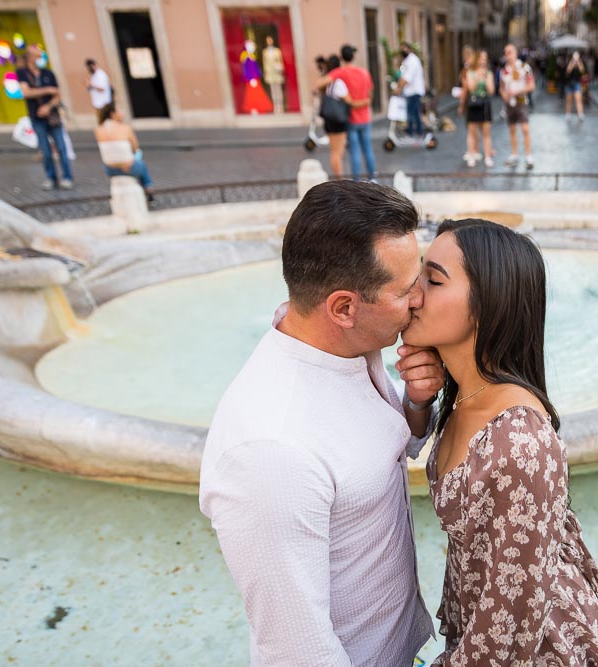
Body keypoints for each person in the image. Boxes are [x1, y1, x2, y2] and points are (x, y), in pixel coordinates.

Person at [200, 180, 442, 666]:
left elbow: (381, 443)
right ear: (344, 307)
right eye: (404, 289)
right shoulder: (270, 450)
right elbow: (297, 649)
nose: (419, 299)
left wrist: (417, 403)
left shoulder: (351, 348)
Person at [402, 217, 598, 665]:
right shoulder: (465, 393)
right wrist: (419, 401)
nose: (413, 293)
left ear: (486, 304)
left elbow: (512, 628)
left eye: (434, 280)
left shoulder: (519, 442)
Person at [16, 45, 73, 191]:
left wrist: (48, 106)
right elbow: (26, 93)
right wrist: (47, 90)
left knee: (62, 148)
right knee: (45, 150)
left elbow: (58, 94)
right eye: (38, 55)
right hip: (36, 118)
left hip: (53, 117)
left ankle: (67, 177)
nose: (41, 58)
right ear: (30, 57)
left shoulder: (48, 73)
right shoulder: (23, 73)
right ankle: (51, 178)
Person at [316, 55, 371, 178]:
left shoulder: (327, 82)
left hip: (329, 120)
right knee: (337, 153)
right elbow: (349, 101)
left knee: (334, 151)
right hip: (338, 121)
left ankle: (338, 178)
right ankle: (339, 180)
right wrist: (364, 102)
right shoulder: (338, 82)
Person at [329, 44, 377, 181]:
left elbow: (324, 81)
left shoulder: (340, 73)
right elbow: (370, 94)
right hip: (365, 117)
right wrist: (365, 102)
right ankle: (372, 177)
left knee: (354, 151)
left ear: (341, 57)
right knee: (368, 148)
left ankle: (356, 180)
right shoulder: (364, 72)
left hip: (351, 118)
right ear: (354, 56)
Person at [94, 102, 155, 201]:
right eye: (120, 110)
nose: (122, 113)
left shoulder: (98, 130)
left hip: (110, 169)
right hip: (129, 167)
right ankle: (149, 190)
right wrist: (127, 162)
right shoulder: (125, 128)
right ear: (113, 114)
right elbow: (135, 148)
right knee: (141, 163)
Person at [500, 43, 536, 169]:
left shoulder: (524, 67)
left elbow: (532, 86)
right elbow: (502, 88)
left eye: (510, 52)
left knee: (525, 129)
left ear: (515, 53)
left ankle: (528, 156)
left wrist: (518, 91)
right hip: (510, 103)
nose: (508, 55)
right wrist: (504, 94)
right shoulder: (504, 71)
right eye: (506, 53)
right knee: (512, 129)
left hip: (521, 101)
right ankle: (514, 154)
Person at [463, 50, 495, 168]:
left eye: (485, 58)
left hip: (485, 103)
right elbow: (471, 88)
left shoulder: (489, 73)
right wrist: (478, 75)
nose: (483, 60)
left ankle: (487, 156)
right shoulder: (470, 72)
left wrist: (485, 76)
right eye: (481, 57)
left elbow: (491, 90)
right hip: (474, 102)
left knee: (486, 132)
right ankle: (472, 155)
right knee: (472, 131)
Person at [395, 42, 426, 137]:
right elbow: (402, 76)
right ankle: (419, 131)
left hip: (414, 90)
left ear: (409, 49)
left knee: (410, 112)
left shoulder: (412, 61)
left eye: (404, 49)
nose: (403, 51)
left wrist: (399, 88)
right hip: (411, 91)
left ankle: (411, 132)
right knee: (415, 112)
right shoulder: (407, 61)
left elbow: (407, 78)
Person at [457, 45, 479, 164]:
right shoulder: (475, 66)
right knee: (474, 126)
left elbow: (465, 87)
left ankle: (472, 151)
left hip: (470, 99)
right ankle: (475, 149)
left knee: (471, 127)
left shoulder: (468, 67)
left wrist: (461, 104)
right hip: (475, 98)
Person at [262, 36, 285, 114]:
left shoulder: (277, 51)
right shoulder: (265, 52)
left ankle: (280, 104)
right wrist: (266, 72)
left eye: (270, 40)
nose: (269, 41)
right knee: (273, 89)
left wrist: (280, 69)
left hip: (277, 72)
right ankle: (275, 105)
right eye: (268, 40)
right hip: (270, 73)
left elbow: (280, 61)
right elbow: (265, 63)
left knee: (278, 89)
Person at [564, 51, 586, 121]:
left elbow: (582, 71)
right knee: (569, 100)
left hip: (577, 84)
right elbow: (567, 72)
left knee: (578, 100)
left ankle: (580, 114)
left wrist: (578, 62)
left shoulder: (580, 64)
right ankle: (568, 114)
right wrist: (572, 63)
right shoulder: (569, 63)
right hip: (569, 84)